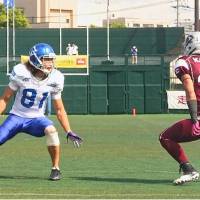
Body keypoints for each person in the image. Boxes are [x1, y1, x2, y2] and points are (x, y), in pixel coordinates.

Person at [0, 43, 83, 181]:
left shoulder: (56, 77)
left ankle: (55, 169)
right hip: (16, 116)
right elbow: (4, 99)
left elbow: (59, 109)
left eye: (51, 59)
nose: (50, 63)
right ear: (35, 59)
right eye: (46, 59)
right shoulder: (21, 72)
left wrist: (68, 131)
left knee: (51, 130)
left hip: (37, 119)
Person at [159, 32, 200, 185]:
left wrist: (195, 119)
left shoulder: (185, 62)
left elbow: (190, 90)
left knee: (165, 137)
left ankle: (188, 170)